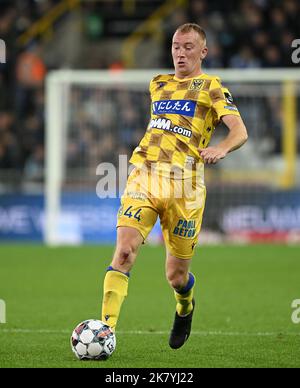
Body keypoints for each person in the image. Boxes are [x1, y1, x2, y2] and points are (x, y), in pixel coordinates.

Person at [101, 23, 248, 349]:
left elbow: (240, 131)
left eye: (188, 47)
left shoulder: (211, 86)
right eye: (175, 46)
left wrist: (222, 148)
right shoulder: (158, 84)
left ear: (203, 52)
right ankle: (105, 330)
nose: (180, 53)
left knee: (176, 276)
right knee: (124, 252)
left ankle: (185, 306)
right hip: (145, 175)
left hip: (186, 188)